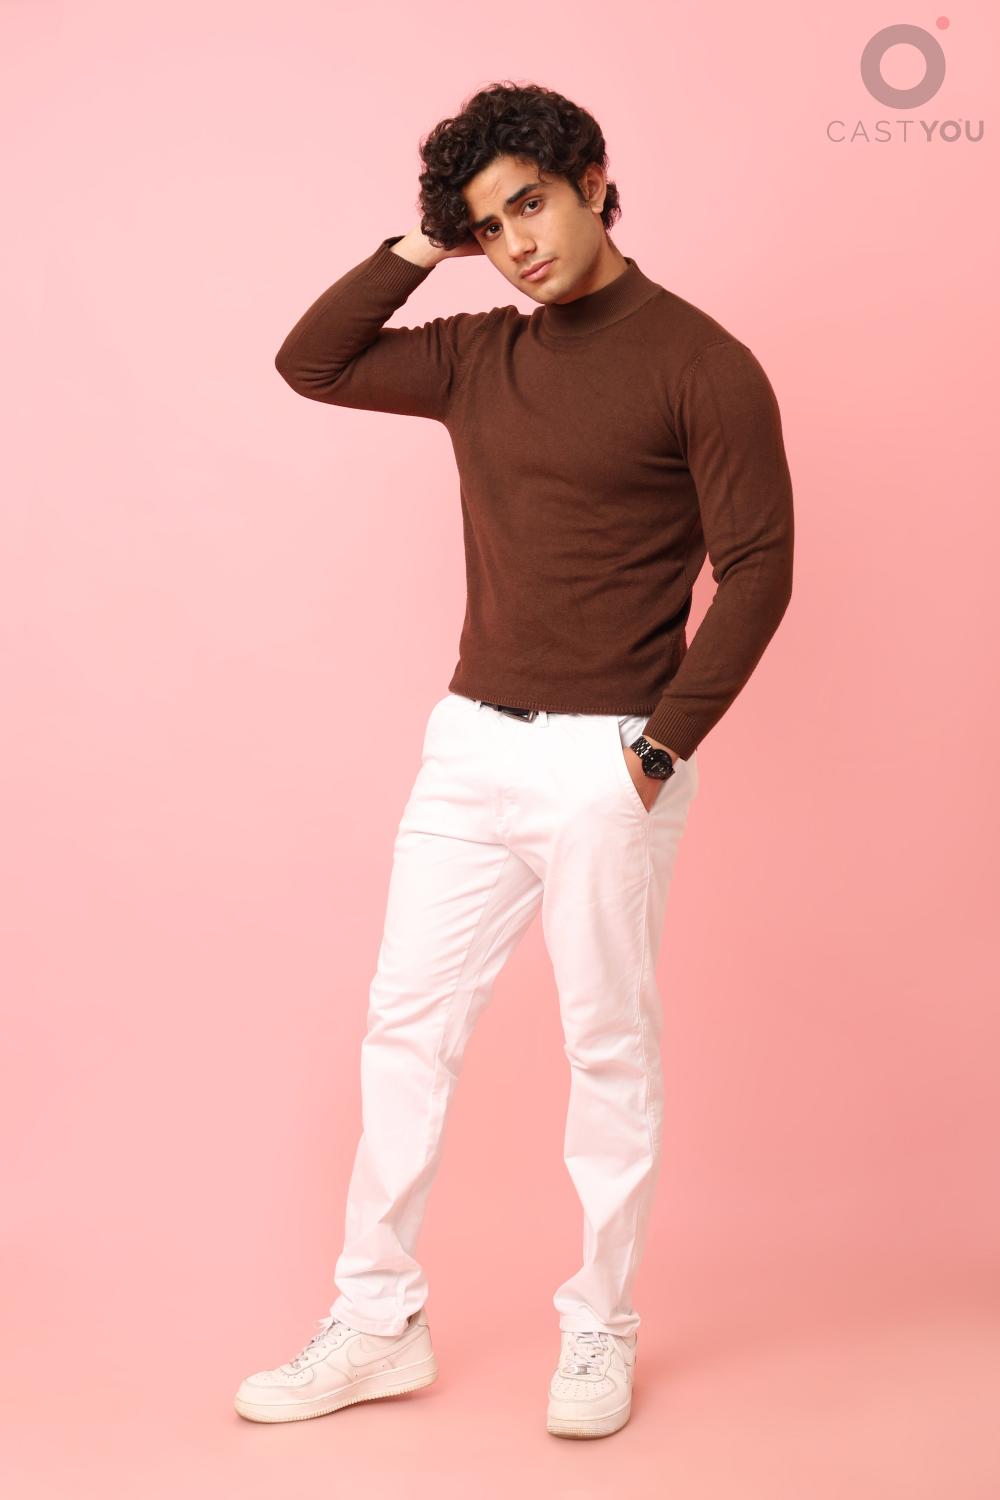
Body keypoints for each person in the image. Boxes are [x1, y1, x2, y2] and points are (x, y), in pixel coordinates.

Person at [235, 80, 794, 1439]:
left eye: (530, 205)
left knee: (607, 1044)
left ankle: (599, 1324)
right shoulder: (477, 353)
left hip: (612, 755)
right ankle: (378, 1321)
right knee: (405, 1027)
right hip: (468, 743)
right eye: (488, 226)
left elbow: (761, 567)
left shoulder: (701, 362)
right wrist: (422, 243)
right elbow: (311, 361)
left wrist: (659, 749)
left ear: (594, 180)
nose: (518, 244)